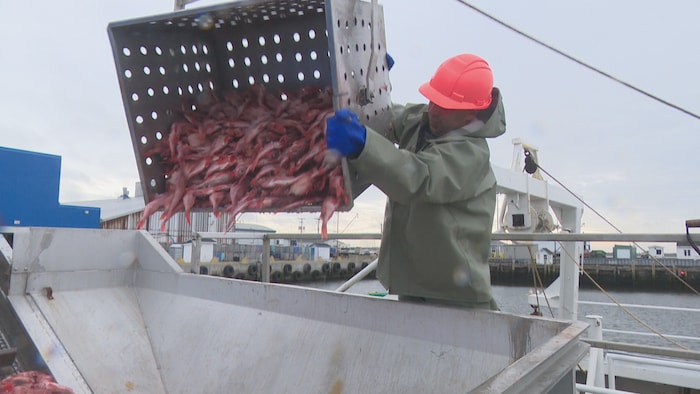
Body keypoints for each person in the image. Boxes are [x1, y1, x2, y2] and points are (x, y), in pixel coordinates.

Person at [326, 53, 505, 310]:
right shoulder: (428, 121)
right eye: (433, 100)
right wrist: (370, 86)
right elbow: (387, 117)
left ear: (470, 115)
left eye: (445, 106)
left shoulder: (471, 155)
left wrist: (363, 146)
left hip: (455, 296)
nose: (433, 111)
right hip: (416, 284)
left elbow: (419, 178)